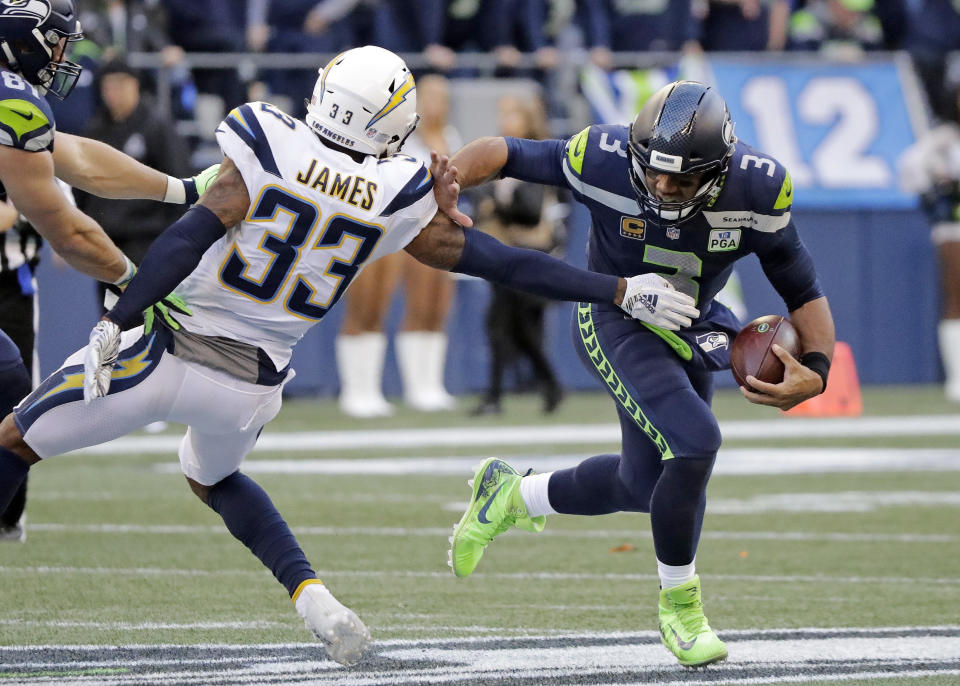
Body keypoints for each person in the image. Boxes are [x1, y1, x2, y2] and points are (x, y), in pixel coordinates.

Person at [0, 46, 684, 665]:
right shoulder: (398, 194)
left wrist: (117, 319)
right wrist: (618, 289)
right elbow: (508, 265)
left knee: (12, 441)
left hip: (169, 351)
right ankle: (317, 604)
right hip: (251, 389)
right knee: (211, 477)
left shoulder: (270, 139)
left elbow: (186, 239)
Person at [447, 80, 835, 668]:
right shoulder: (600, 157)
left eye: (680, 178)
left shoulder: (757, 186)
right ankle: (681, 605)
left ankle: (510, 493)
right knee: (697, 441)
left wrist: (818, 370)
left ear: (718, 169)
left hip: (690, 319)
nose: (661, 185)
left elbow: (801, 286)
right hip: (615, 315)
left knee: (645, 485)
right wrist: (446, 184)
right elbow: (505, 152)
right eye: (653, 171)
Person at [0, 0, 214, 542]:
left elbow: (79, 158)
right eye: (55, 46)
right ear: (20, 43)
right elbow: (67, 231)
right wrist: (134, 281)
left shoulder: (16, 102)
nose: (63, 60)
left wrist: (181, 189)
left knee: (6, 372)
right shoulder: (12, 102)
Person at [336, 74, 461, 417]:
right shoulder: (398, 137)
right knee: (369, 303)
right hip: (387, 227)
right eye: (428, 96)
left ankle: (426, 386)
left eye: (441, 96)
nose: (435, 103)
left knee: (433, 305)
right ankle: (358, 390)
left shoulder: (450, 137)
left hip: (436, 229)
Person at [473, 94, 563, 416]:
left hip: (530, 252)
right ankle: (505, 394)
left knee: (517, 328)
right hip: (503, 252)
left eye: (513, 115)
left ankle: (542, 386)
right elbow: (477, 192)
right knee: (503, 326)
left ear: (528, 120)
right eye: (503, 114)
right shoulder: (498, 156)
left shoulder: (540, 157)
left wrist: (497, 206)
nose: (505, 121)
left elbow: (529, 211)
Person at [899, 81, 960, 402]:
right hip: (954, 226)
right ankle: (957, 379)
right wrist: (934, 195)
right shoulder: (944, 140)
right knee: (956, 297)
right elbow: (910, 167)